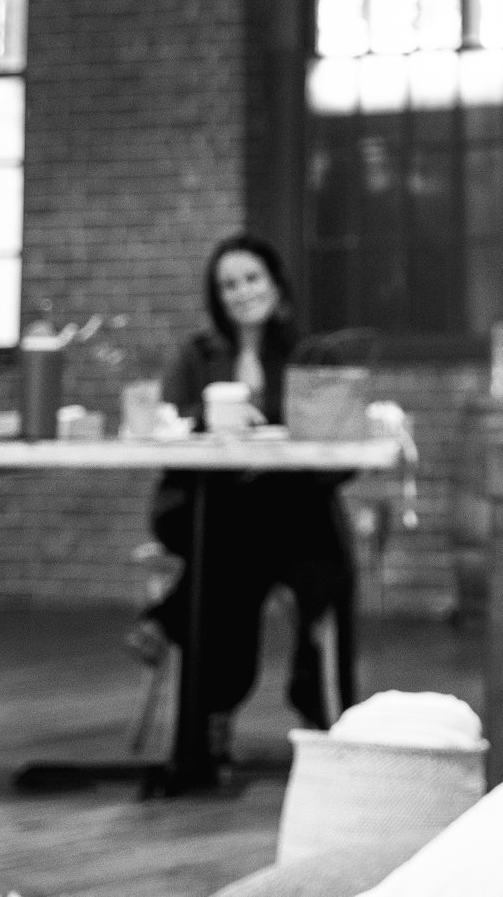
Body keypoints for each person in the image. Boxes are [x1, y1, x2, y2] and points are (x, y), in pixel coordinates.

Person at [141, 233, 354, 756]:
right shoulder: (195, 355)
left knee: (240, 562)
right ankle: (311, 708)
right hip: (203, 504)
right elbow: (167, 426)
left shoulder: (308, 354)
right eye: (228, 284)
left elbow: (336, 447)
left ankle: (192, 674)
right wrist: (212, 422)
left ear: (276, 284)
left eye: (251, 278)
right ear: (217, 297)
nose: (241, 292)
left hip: (280, 515)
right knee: (243, 533)